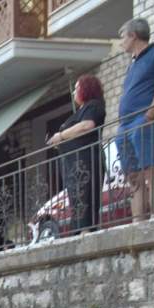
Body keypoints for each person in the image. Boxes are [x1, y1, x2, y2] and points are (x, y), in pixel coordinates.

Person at [117, 18, 154, 220]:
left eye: (122, 37)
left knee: (152, 172)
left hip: (143, 121)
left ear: (133, 35)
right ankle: (138, 222)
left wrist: (149, 116)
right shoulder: (132, 65)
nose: (121, 42)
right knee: (133, 177)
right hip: (124, 125)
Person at [48, 75, 106, 235]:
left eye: (77, 88)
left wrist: (61, 136)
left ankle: (85, 231)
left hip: (85, 163)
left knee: (85, 197)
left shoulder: (93, 106)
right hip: (74, 166)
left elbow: (87, 125)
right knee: (77, 200)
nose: (74, 92)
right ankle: (81, 231)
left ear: (86, 89)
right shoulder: (82, 110)